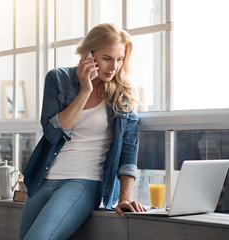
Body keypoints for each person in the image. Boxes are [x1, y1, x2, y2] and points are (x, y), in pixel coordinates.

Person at [19, 23, 146, 240]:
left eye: (120, 59)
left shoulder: (123, 95)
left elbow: (128, 152)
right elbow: (52, 134)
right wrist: (85, 90)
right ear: (89, 53)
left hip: (84, 181)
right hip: (44, 178)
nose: (113, 66)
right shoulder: (58, 80)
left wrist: (124, 197)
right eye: (107, 58)